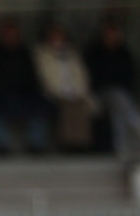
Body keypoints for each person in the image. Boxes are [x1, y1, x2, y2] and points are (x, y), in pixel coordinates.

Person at [0, 18, 48, 155]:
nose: (11, 37)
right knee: (0, 108)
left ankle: (36, 143)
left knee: (40, 107)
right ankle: (1, 144)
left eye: (14, 34)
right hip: (1, 95)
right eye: (8, 34)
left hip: (24, 93)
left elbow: (32, 77)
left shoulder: (24, 53)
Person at [85, 19, 140, 156]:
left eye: (114, 34)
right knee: (118, 98)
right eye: (108, 35)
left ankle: (120, 148)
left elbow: (131, 76)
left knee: (118, 110)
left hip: (121, 95)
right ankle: (136, 123)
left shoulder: (124, 53)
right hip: (100, 93)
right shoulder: (95, 53)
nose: (111, 38)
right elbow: (95, 78)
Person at [34, 24, 95, 152]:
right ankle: (67, 143)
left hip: (75, 91)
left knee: (80, 104)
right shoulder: (42, 54)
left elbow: (81, 75)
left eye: (60, 37)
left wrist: (78, 91)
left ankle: (80, 143)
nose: (57, 41)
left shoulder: (73, 55)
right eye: (54, 38)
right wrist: (59, 91)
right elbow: (44, 76)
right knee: (66, 105)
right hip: (55, 92)